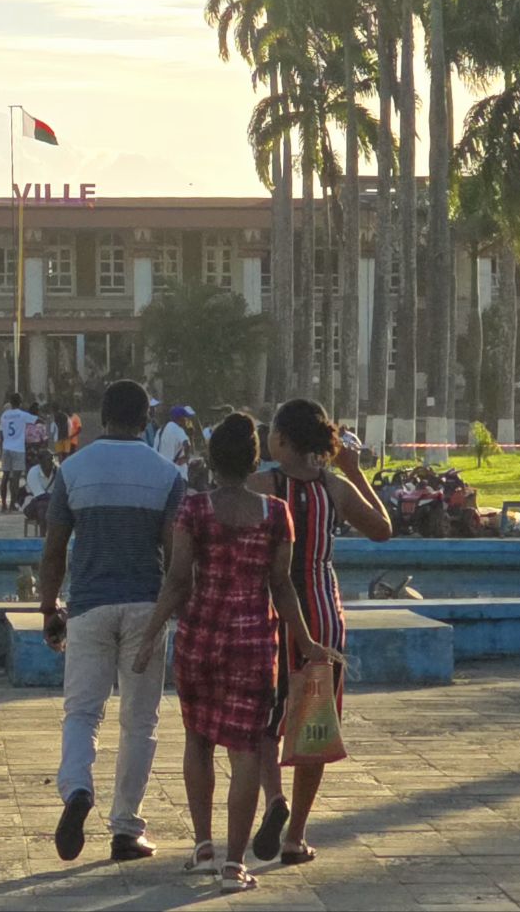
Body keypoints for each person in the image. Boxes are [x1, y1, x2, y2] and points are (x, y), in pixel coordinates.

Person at [132, 413, 330, 890]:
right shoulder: (275, 513)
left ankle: (203, 846)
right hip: (253, 646)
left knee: (198, 740)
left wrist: (149, 636)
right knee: (244, 751)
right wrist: (306, 643)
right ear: (253, 460)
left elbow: (178, 582)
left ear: (211, 460)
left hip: (200, 639)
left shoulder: (194, 511)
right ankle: (233, 865)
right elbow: (283, 588)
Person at [38, 379, 186, 864]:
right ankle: (126, 829)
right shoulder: (166, 475)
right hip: (145, 606)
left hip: (89, 607)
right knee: (139, 721)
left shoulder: (73, 470)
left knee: (82, 712)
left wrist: (49, 610)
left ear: (102, 417)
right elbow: (175, 554)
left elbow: (55, 549)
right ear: (146, 421)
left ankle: (77, 788)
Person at [244, 398, 393, 865]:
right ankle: (296, 836)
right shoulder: (336, 487)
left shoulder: (262, 485)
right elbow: (383, 530)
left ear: (283, 441)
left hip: (270, 609)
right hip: (323, 613)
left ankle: (273, 801)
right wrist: (355, 469)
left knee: (265, 717)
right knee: (313, 724)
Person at [0, 394, 35, 510]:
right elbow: (37, 419)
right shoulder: (23, 415)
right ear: (20, 402)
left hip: (6, 447)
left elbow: (0, 432)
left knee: (5, 476)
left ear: (10, 402)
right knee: (16, 478)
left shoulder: (4, 415)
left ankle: (3, 504)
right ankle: (12, 504)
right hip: (18, 448)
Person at [156, 405, 196, 480]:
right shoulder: (178, 429)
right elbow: (186, 444)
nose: (186, 420)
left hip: (162, 474)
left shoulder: (160, 430)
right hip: (177, 475)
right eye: (185, 417)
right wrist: (186, 457)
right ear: (180, 418)